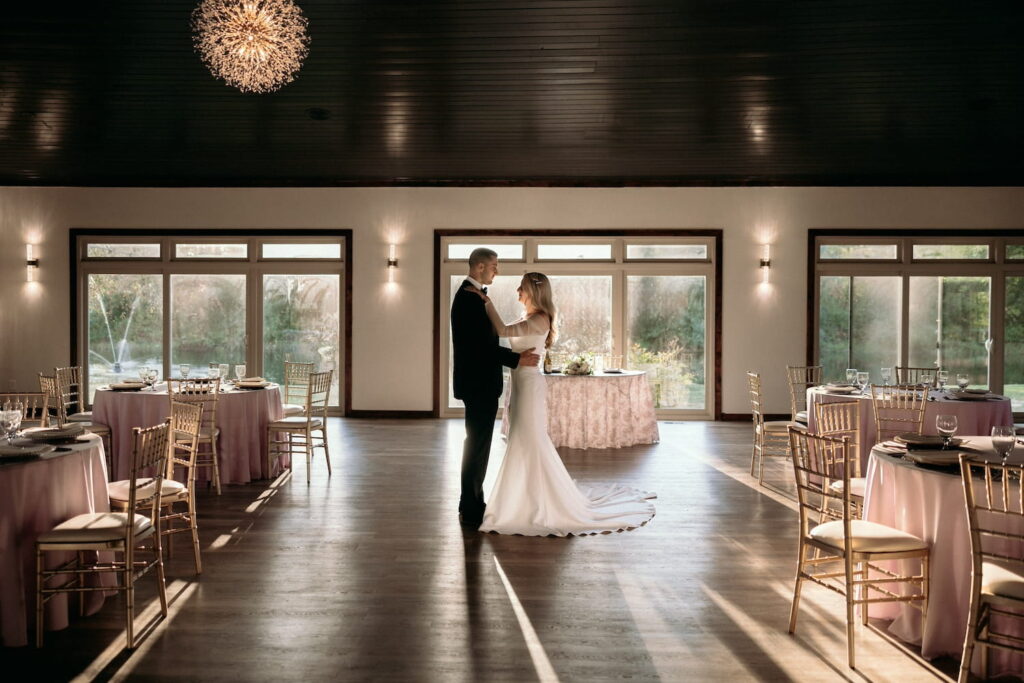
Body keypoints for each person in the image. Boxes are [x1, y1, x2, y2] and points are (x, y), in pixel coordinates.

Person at [467, 272, 656, 536]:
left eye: (520, 288)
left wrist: (486, 302)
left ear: (532, 292)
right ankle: (525, 497)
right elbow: (508, 341)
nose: (517, 292)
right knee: (521, 439)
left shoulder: (540, 318)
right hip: (520, 384)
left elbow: (502, 331)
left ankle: (533, 503)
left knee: (529, 439)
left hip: (530, 386)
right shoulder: (528, 317)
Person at [451, 248, 539, 528]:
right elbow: (479, 347)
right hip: (478, 384)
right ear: (478, 267)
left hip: (478, 383)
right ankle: (471, 506)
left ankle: (473, 502)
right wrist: (516, 359)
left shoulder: (475, 296)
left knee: (477, 445)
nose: (496, 271)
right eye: (493, 266)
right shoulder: (468, 298)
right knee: (476, 446)